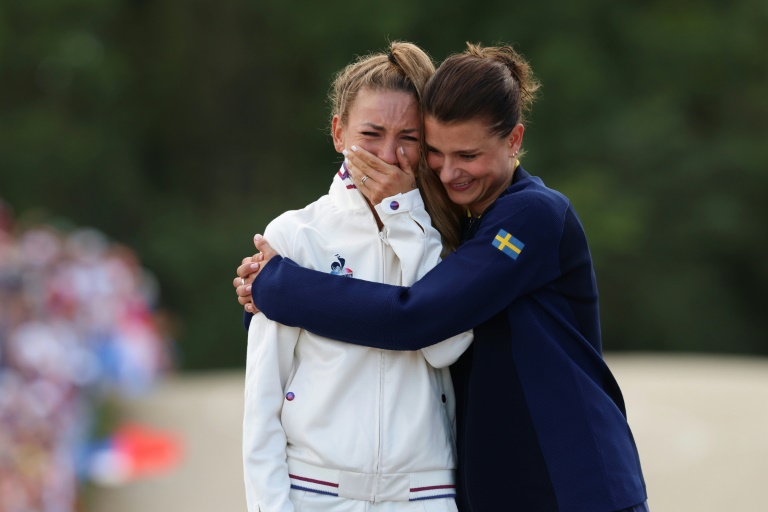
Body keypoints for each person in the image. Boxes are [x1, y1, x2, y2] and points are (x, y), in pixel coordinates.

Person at [235, 43, 648, 512]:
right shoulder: (456, 225)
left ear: (514, 140)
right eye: (435, 151)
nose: (449, 173)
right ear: (337, 131)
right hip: (504, 490)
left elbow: (422, 318)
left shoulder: (530, 216)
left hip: (574, 484)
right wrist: (262, 307)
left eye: (467, 155)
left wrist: (276, 286)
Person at [239, 41, 472, 512]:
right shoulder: (296, 233)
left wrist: (404, 217)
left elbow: (447, 345)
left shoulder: (446, 233)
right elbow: (262, 401)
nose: (388, 154)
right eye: (371, 134)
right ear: (337, 132)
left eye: (408, 137)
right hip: (316, 491)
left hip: (424, 493)